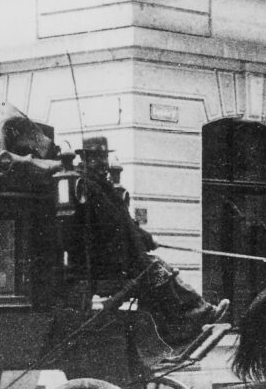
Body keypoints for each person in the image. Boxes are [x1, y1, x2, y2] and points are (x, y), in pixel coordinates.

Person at [69, 137, 228, 346]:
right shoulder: (90, 187)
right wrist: (139, 246)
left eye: (104, 157)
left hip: (116, 257)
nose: (103, 163)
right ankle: (194, 316)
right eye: (97, 158)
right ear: (85, 159)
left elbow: (125, 223)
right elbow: (116, 225)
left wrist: (147, 239)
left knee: (158, 271)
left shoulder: (102, 187)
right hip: (106, 261)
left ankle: (182, 323)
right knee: (157, 270)